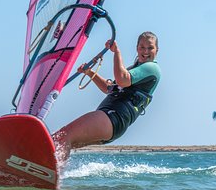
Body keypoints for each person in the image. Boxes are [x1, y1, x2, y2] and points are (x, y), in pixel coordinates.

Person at [52, 31, 161, 163]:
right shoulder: (135, 69)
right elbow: (108, 88)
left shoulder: (151, 68)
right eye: (142, 47)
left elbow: (122, 80)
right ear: (137, 48)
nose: (145, 51)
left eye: (150, 47)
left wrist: (117, 52)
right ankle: (52, 172)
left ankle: (48, 172)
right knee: (62, 143)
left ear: (157, 50)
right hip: (112, 124)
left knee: (62, 137)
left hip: (113, 117)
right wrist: (89, 73)